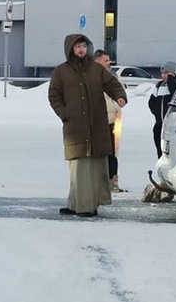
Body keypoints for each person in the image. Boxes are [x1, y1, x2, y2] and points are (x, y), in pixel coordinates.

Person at [48, 34, 128, 217]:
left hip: (97, 127)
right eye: (77, 47)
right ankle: (77, 204)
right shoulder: (61, 71)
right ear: (70, 49)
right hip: (75, 128)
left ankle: (88, 205)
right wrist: (65, 113)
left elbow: (112, 84)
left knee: (95, 167)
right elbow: (54, 96)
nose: (81, 50)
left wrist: (120, 96)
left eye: (83, 46)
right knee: (79, 168)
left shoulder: (95, 69)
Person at [93, 49, 125, 193]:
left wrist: (119, 106)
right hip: (96, 121)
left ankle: (112, 180)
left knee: (112, 152)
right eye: (106, 60)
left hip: (112, 120)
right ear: (97, 61)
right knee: (98, 153)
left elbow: (119, 93)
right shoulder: (91, 77)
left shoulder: (112, 77)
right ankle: (98, 181)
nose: (109, 63)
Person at [148, 61, 176, 159]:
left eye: (167, 73)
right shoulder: (159, 85)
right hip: (159, 124)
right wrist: (155, 112)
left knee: (169, 151)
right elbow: (152, 101)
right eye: (163, 73)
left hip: (170, 125)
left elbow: (175, 95)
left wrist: (171, 81)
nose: (164, 75)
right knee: (159, 149)